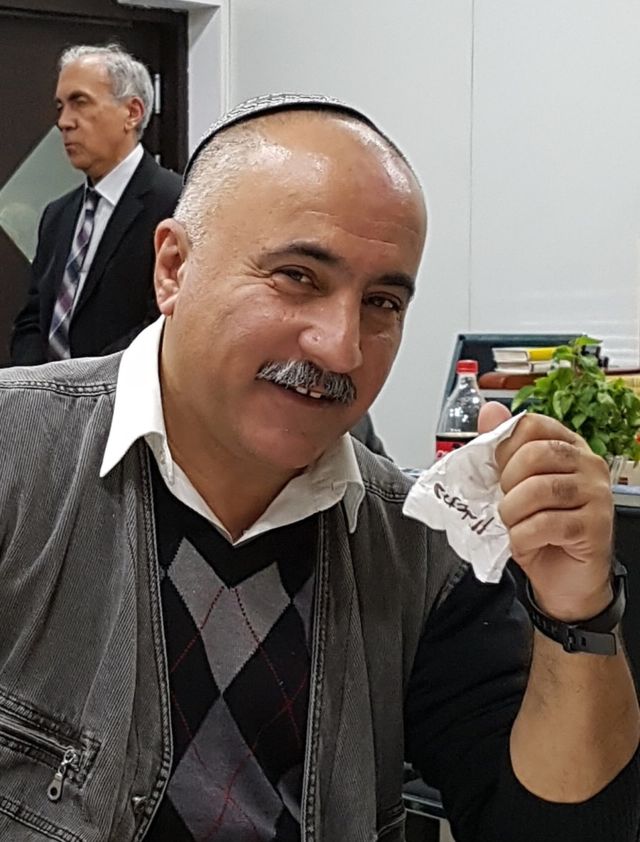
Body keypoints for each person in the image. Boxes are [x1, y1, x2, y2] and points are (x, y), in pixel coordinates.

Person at [0, 93, 637, 842]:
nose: (342, 347)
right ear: (173, 268)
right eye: (298, 277)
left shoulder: (420, 552)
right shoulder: (19, 457)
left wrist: (578, 613)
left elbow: (554, 827)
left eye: (382, 301)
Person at [10, 43, 182, 365]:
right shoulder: (57, 215)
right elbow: (32, 320)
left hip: (124, 390)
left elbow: (167, 324)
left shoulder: (176, 202)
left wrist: (80, 384)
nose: (64, 122)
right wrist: (38, 382)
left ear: (132, 113)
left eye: (80, 103)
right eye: (60, 107)